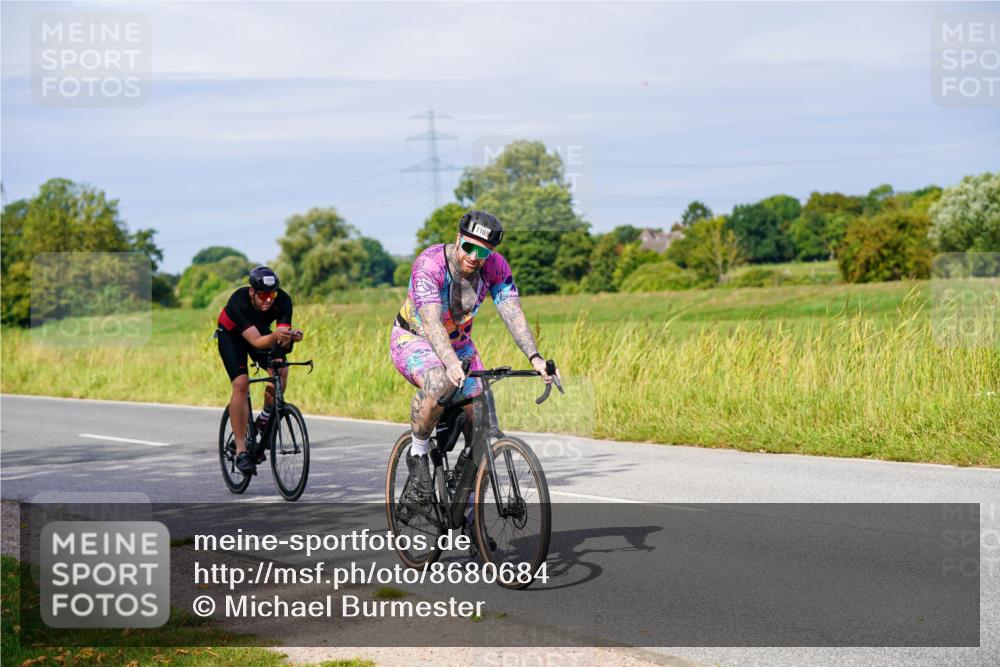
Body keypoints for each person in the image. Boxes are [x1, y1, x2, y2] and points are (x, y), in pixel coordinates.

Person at [390, 210, 557, 500]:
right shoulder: (430, 265)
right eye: (469, 246)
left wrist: (536, 358)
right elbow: (431, 323)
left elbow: (512, 313)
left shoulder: (495, 267)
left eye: (483, 251)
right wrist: (451, 363)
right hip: (415, 339)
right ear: (458, 239)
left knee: (481, 421)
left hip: (460, 344)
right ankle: (417, 454)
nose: (474, 256)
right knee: (439, 380)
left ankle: (468, 514)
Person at [217, 266, 303, 474]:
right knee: (241, 384)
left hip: (260, 333)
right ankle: (241, 450)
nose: (268, 300)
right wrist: (276, 337)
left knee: (281, 370)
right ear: (252, 292)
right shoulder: (239, 300)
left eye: (271, 294)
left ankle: (265, 419)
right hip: (232, 337)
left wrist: (290, 338)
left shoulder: (283, 300)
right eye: (263, 295)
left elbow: (280, 336)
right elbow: (256, 341)